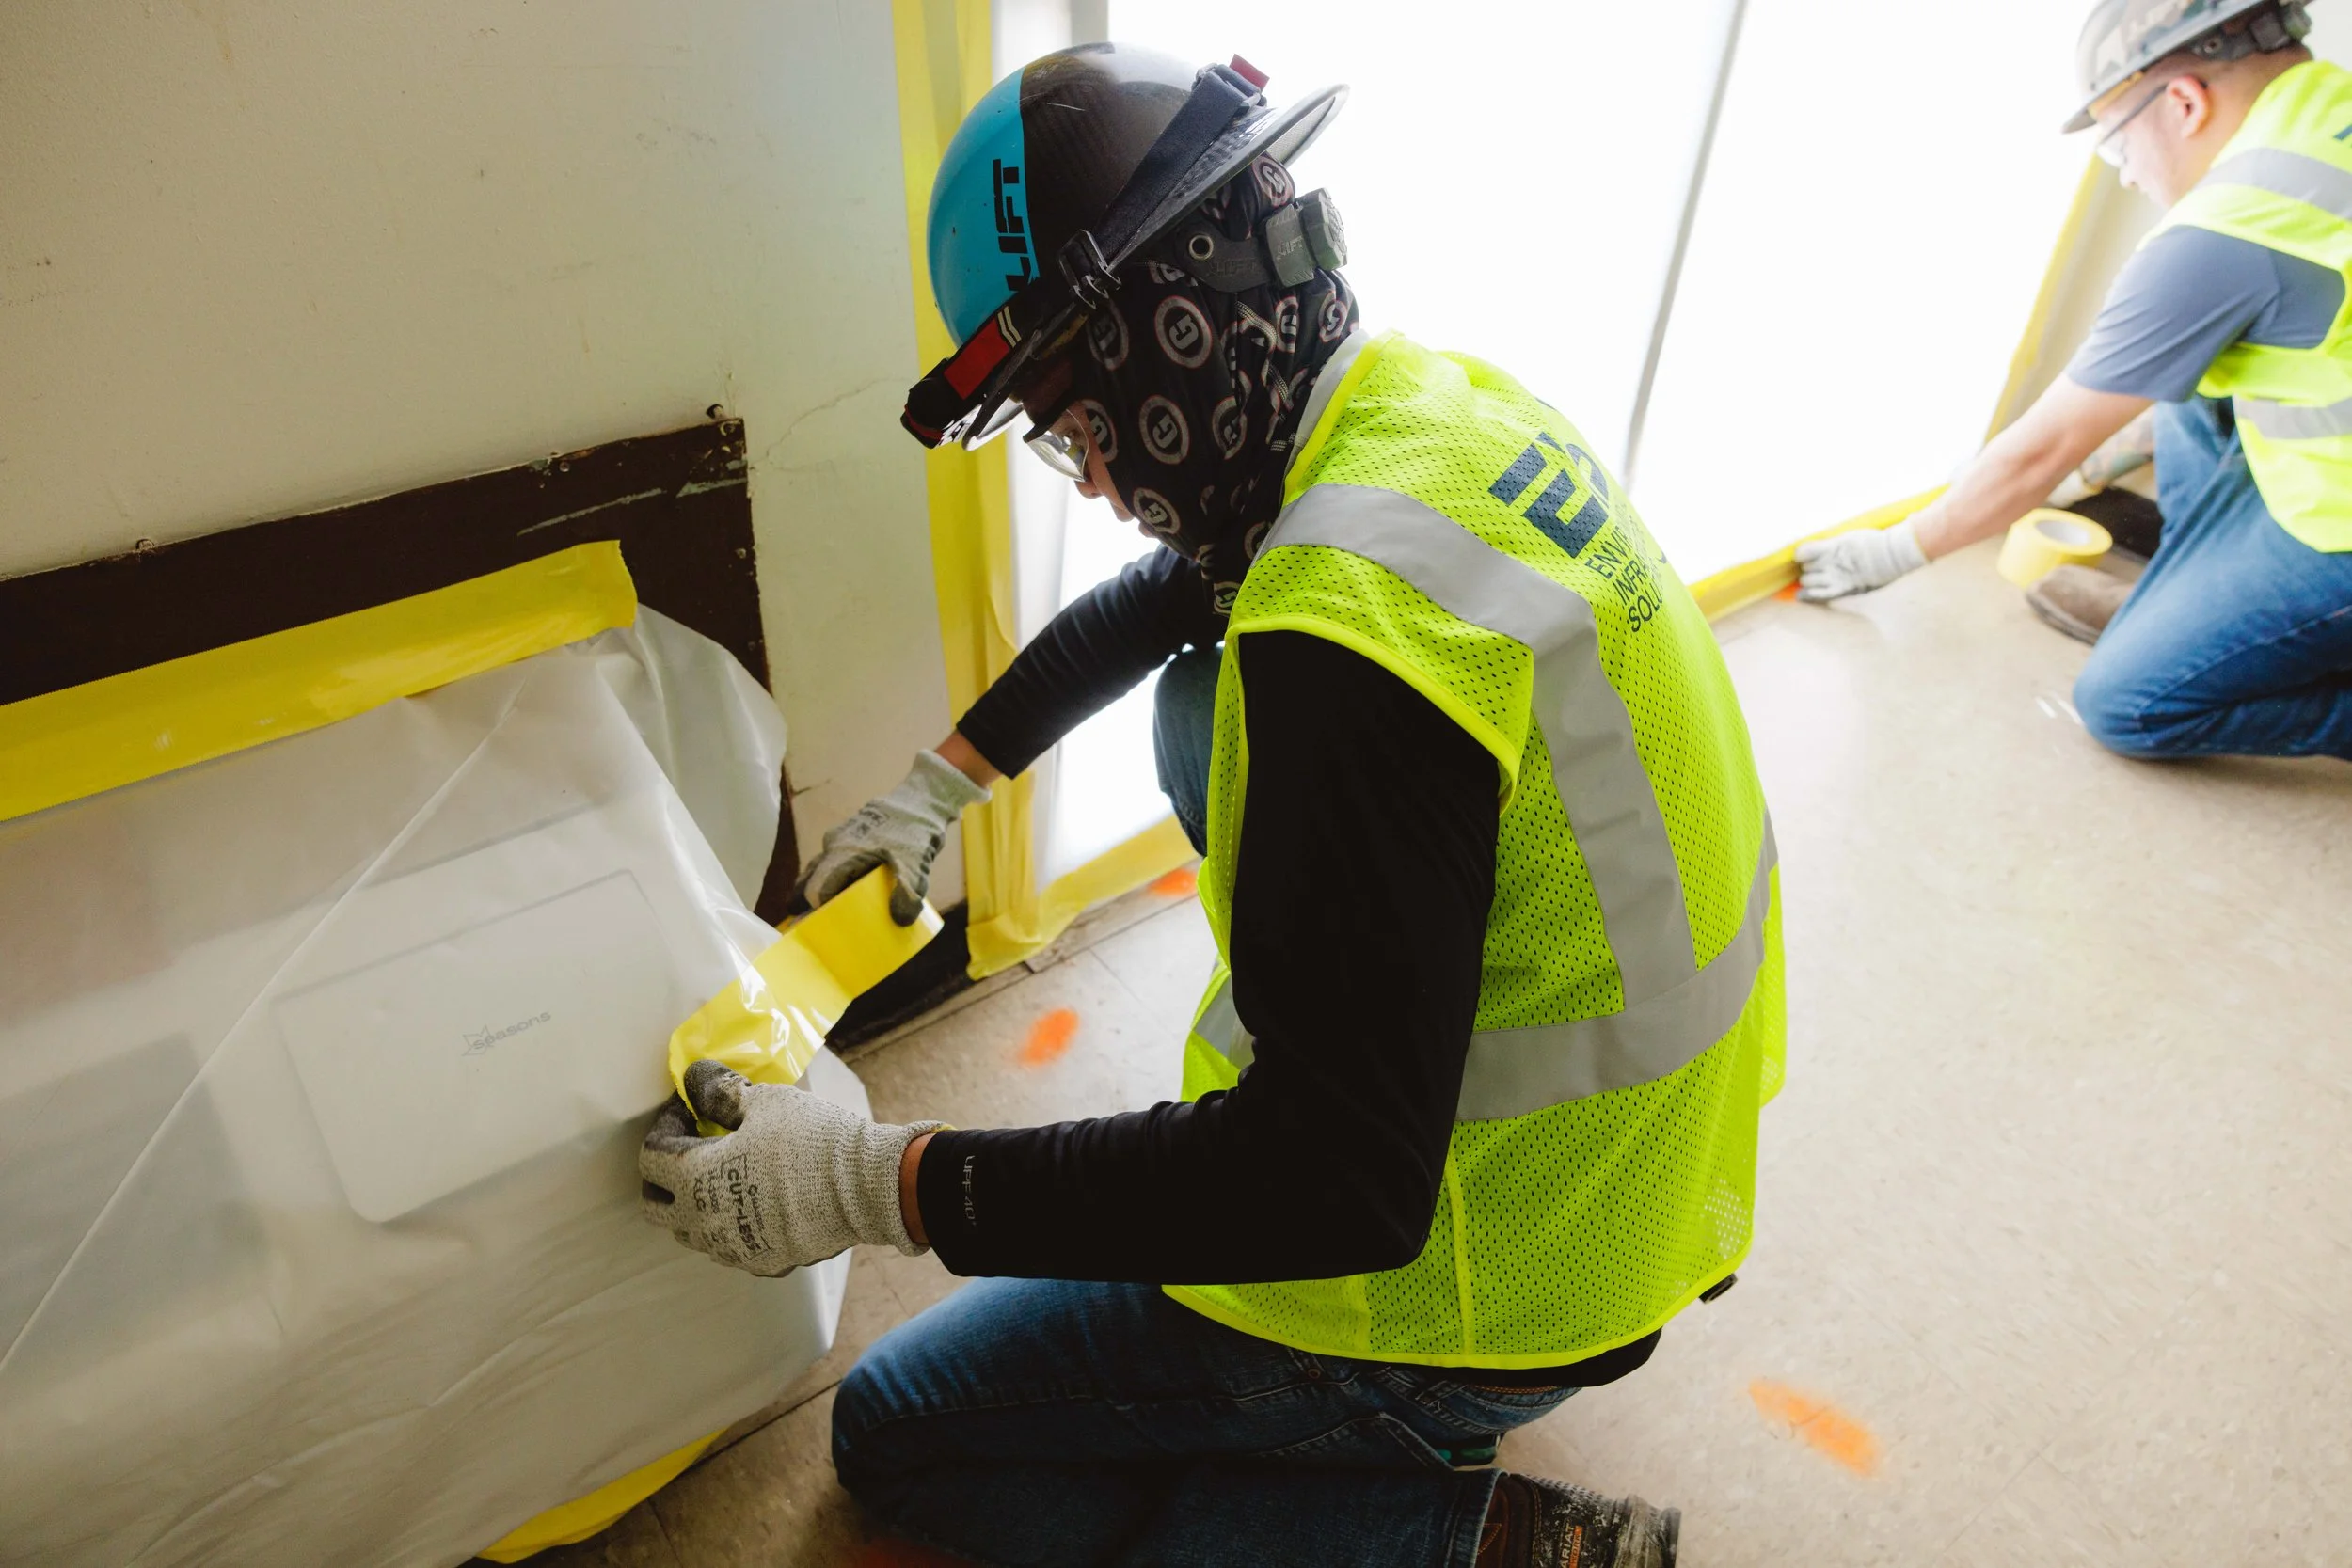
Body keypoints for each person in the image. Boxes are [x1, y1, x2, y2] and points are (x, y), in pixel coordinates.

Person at [639, 44, 1787, 1568]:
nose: (1090, 480)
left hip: (1484, 1265)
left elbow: (1326, 1183)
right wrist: (942, 784)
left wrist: (875, 1181)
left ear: (1162, 333)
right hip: (1640, 1175)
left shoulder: (1341, 656)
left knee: (903, 1433)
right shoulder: (1416, 413)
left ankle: (1473, 1540)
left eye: (1071, 420)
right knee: (1199, 693)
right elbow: (1159, 600)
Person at [1795, 0, 2352, 764]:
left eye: (2117, 140)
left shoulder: (2232, 229)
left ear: (2184, 102)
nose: (2126, 171)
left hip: (2339, 528)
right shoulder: (2327, 108)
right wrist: (2077, 473)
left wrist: (1891, 551)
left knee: (2125, 705)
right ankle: (2181, 610)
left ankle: (2212, 646)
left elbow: (2040, 449)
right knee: (2183, 376)